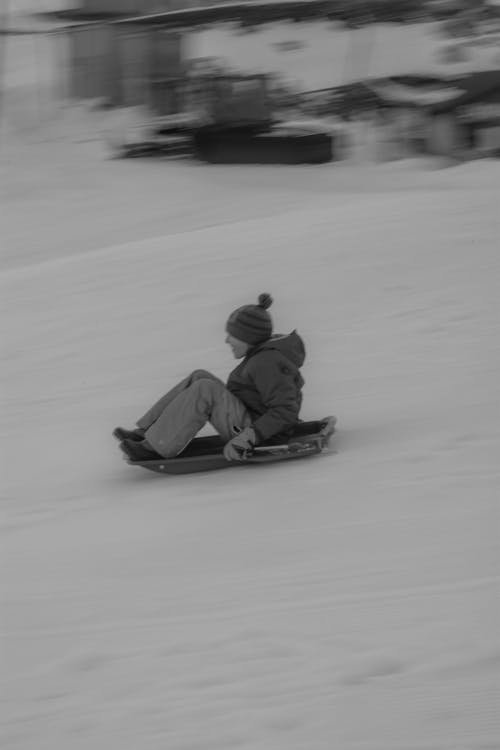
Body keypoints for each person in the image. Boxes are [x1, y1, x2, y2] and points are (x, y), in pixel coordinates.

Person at [115, 293, 306, 462]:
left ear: (249, 337)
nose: (227, 341)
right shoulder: (262, 356)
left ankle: (156, 447)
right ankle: (147, 433)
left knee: (205, 389)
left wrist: (249, 437)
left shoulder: (267, 363)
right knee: (199, 376)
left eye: (233, 336)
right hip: (252, 421)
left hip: (259, 435)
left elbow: (285, 410)